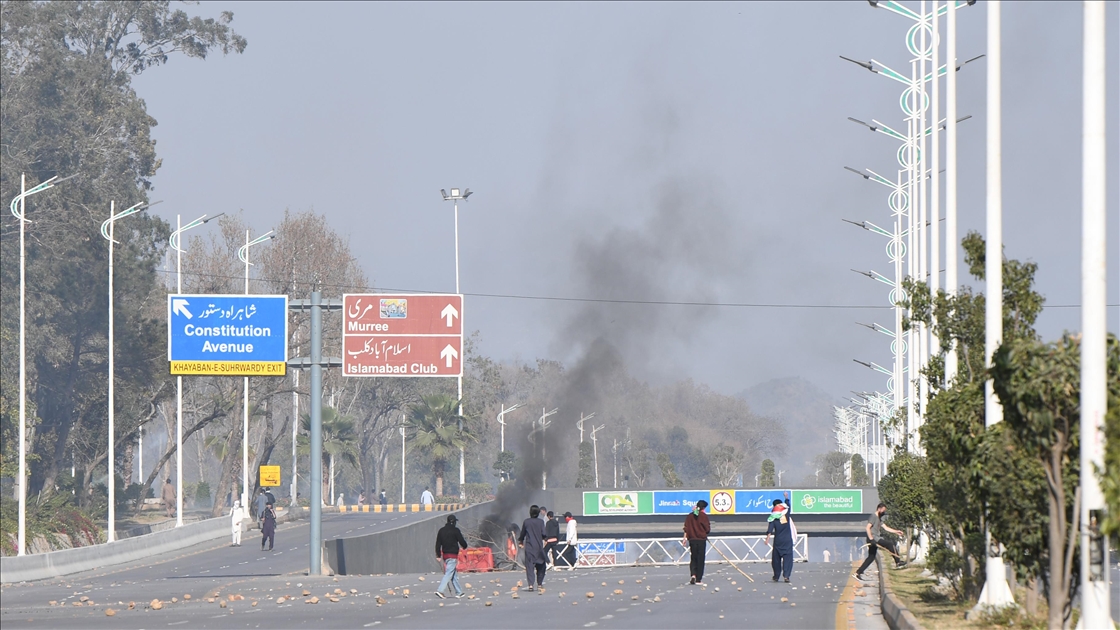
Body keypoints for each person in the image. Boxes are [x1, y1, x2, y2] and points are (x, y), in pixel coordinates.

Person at [856, 502, 907, 581]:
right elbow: (867, 528)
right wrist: (871, 539)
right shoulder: (873, 516)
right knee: (890, 544)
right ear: (879, 509)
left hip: (874, 538)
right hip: (874, 538)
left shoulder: (879, 518)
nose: (883, 513)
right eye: (883, 511)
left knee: (871, 557)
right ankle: (898, 562)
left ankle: (858, 572)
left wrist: (896, 531)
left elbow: (886, 528)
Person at [434, 514, 469, 599]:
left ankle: (459, 592)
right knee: (449, 573)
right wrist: (464, 546)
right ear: (454, 522)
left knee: (453, 574)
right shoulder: (455, 530)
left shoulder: (441, 531)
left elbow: (438, 544)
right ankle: (440, 590)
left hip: (445, 555)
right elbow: (462, 541)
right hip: (453, 555)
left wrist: (438, 555)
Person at [518, 505, 547, 591]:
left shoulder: (526, 522)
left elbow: (522, 534)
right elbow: (544, 534)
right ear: (538, 513)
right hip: (538, 547)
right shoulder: (541, 522)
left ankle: (531, 584)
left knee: (530, 566)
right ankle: (539, 583)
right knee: (541, 566)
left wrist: (521, 541)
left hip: (529, 547)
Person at [765, 498, 795, 583]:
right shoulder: (786, 515)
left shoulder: (773, 517)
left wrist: (767, 539)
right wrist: (786, 498)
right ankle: (786, 576)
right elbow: (788, 506)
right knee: (788, 559)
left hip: (778, 541)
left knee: (776, 560)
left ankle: (776, 576)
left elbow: (770, 530)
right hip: (787, 541)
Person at [683, 499, 710, 584]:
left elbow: (686, 528)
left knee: (693, 558)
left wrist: (684, 538)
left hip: (692, 540)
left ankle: (693, 574)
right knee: (700, 559)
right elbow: (707, 529)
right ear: (703, 508)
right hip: (701, 540)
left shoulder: (690, 516)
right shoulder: (703, 516)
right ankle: (698, 579)